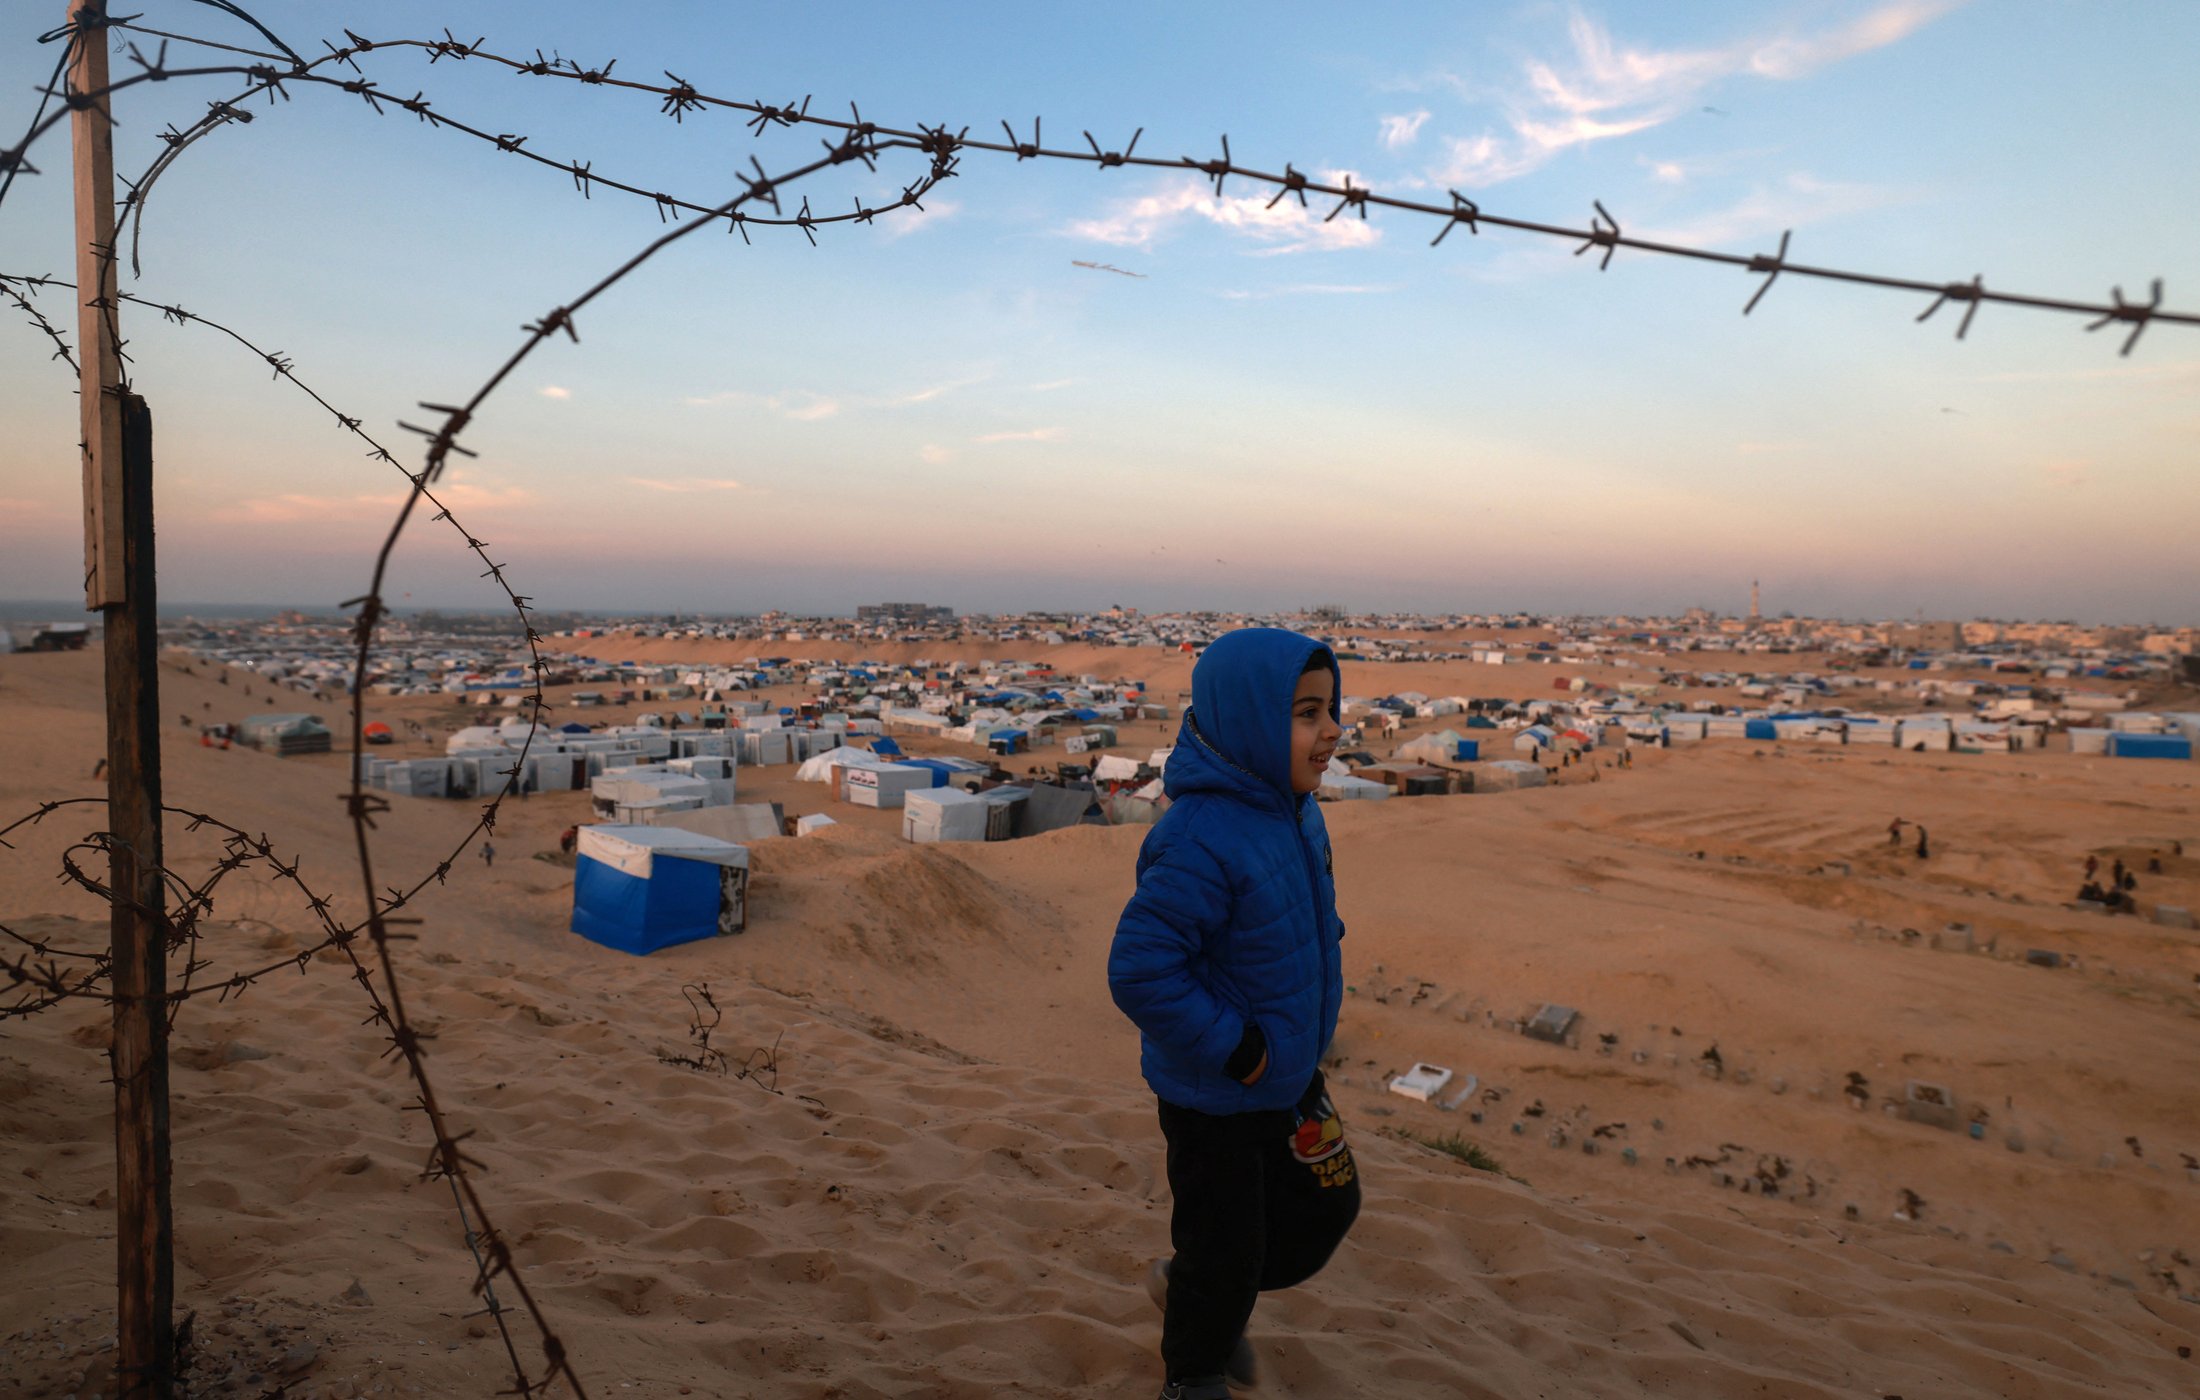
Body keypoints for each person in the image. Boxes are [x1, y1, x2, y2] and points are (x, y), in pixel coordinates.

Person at [1109, 629, 1361, 1400]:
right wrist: (1239, 1049)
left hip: (1288, 1072)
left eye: (1331, 709)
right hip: (1216, 1093)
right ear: (1250, 719)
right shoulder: (1198, 838)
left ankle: (1195, 1288)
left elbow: (1298, 915)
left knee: (1328, 1204)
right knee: (1228, 1249)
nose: (1331, 732)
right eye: (1306, 713)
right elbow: (1140, 969)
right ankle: (1193, 1374)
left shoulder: (1296, 812)